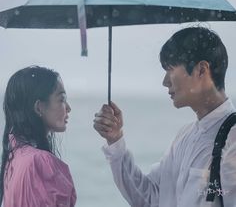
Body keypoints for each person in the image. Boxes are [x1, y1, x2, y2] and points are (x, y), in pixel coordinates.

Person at [93, 26, 236, 207]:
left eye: (170, 70)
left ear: (201, 69)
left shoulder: (232, 138)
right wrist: (115, 140)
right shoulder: (185, 136)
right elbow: (150, 198)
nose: (165, 81)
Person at [0, 66, 77, 207]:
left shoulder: (15, 156)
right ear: (39, 108)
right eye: (61, 99)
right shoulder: (40, 161)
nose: (68, 107)